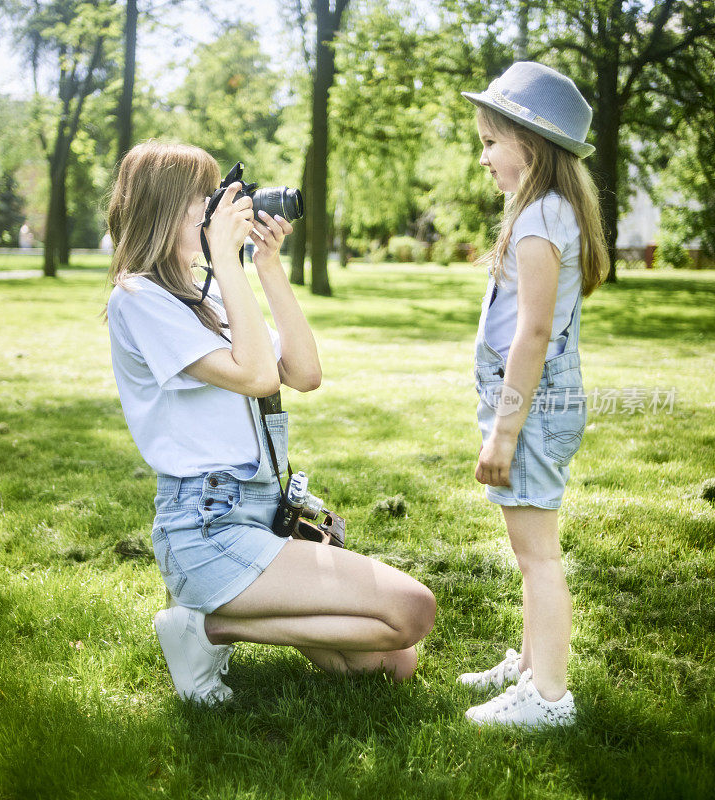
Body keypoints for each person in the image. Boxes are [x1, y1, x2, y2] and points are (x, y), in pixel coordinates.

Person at [105, 141, 436, 705]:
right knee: (412, 610)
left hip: (261, 513)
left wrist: (267, 267)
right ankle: (211, 625)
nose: (219, 209)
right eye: (203, 200)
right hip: (205, 528)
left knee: (392, 662)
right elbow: (258, 375)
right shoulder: (137, 296)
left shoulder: (208, 296)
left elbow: (304, 374)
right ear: (164, 210)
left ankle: (212, 624)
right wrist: (227, 260)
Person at [457, 63, 608, 727]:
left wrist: (506, 430)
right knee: (529, 552)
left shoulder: (540, 218)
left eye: (491, 141)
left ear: (532, 144)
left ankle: (549, 697)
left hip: (533, 410)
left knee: (538, 555)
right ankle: (528, 663)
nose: (483, 156)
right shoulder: (547, 210)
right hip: (539, 405)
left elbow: (535, 330)